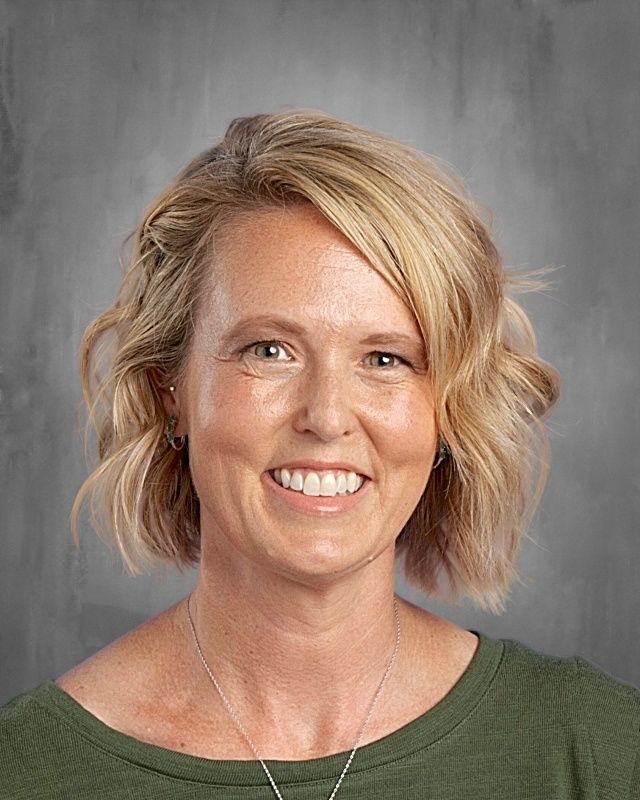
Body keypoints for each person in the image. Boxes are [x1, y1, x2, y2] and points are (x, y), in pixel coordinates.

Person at [1, 109, 638, 799]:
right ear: (171, 391)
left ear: (448, 412)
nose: (327, 417)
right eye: (269, 350)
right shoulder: (26, 772)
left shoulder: (596, 751)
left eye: (387, 358)